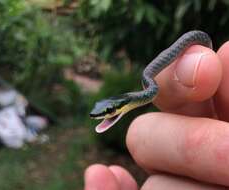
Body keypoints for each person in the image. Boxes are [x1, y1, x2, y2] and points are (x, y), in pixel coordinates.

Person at [84, 41, 229, 189]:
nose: (106, 114)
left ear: (123, 104)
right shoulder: (148, 84)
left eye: (110, 111)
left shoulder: (148, 82)